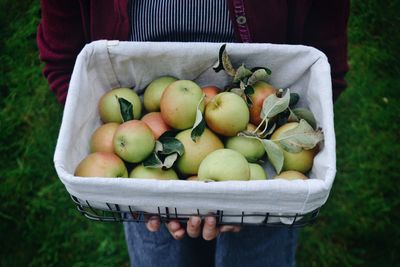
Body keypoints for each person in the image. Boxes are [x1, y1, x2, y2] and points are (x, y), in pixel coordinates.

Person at [37, 1, 349, 266]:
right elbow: (64, 59)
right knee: (159, 254)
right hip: (145, 175)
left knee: (257, 254)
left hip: (261, 181)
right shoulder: (136, 141)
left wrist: (250, 202)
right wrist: (138, 197)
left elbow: (323, 61)